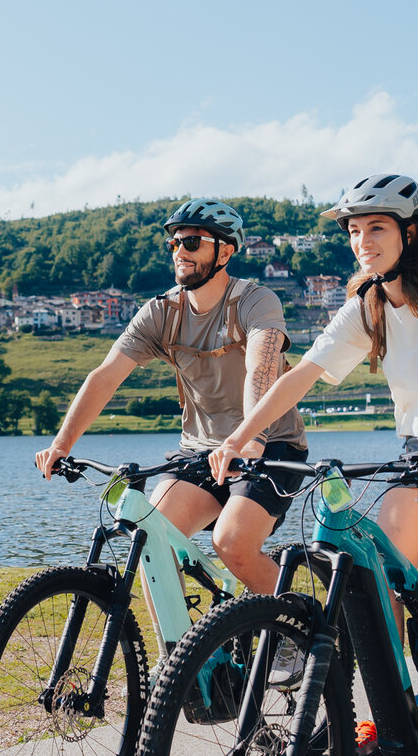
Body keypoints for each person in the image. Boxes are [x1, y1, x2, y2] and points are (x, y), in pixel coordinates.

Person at [205, 174, 418, 745]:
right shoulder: (367, 307)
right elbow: (303, 376)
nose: (364, 239)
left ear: (410, 234)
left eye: (377, 227)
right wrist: (239, 437)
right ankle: (398, 708)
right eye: (355, 230)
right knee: (374, 577)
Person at [36, 198, 310, 630]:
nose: (179, 250)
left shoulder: (256, 301)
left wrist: (247, 439)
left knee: (232, 543)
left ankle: (300, 629)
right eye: (173, 243)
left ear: (225, 251)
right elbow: (106, 376)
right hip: (198, 452)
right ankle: (187, 665)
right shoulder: (162, 312)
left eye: (192, 241)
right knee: (149, 540)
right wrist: (61, 445)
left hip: (268, 447)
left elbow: (262, 365)